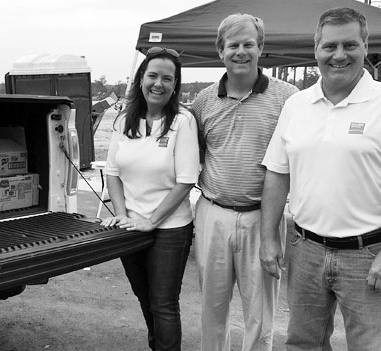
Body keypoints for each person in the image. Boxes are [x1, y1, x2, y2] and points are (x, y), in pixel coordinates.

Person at [260, 7, 381, 351]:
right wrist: (268, 238)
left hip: (367, 253)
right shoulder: (297, 105)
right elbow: (278, 175)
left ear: (365, 45)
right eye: (330, 47)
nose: (339, 55)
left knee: (370, 345)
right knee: (303, 343)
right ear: (316, 49)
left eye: (350, 45)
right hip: (304, 249)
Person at [191, 14, 298, 351]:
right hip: (212, 213)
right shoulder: (202, 102)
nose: (241, 51)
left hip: (263, 218)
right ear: (220, 50)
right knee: (212, 308)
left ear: (260, 48)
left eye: (248, 44)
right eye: (233, 45)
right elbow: (193, 158)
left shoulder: (287, 98)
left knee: (260, 313)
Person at [101, 47, 200, 351]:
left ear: (175, 85)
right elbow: (113, 173)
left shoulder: (182, 121)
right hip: (131, 225)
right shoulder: (122, 120)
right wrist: (122, 214)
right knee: (145, 298)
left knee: (163, 304)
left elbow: (186, 181)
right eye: (153, 75)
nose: (159, 84)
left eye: (167, 79)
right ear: (141, 79)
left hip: (170, 227)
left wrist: (151, 221)